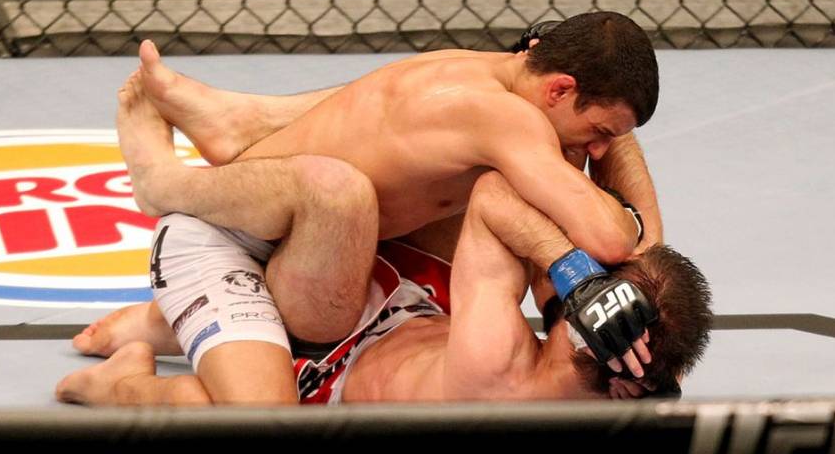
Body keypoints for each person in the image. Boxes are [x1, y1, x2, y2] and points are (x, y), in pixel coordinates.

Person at [77, 12, 664, 403]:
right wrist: (628, 217)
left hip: (309, 243)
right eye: (602, 128)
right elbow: (614, 241)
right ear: (559, 87)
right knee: (259, 427)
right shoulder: (505, 118)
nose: (601, 148)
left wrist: (609, 130)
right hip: (224, 239)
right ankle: (120, 383)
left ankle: (168, 313)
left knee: (365, 190)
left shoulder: (474, 66)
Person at [56, 170, 712, 406]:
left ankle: (122, 375)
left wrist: (573, 279)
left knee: (243, 421)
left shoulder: (502, 364)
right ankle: (168, 328)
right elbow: (502, 187)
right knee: (541, 171)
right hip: (405, 308)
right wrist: (571, 274)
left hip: (333, 364)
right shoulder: (627, 402)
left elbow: (496, 202)